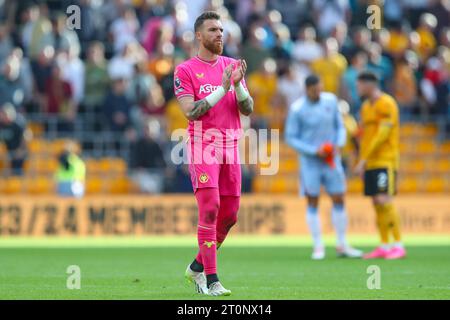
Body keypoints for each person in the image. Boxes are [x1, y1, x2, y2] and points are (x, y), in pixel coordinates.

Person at [174, 11, 254, 296]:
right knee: (210, 209)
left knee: (230, 216)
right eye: (213, 30)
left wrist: (237, 88)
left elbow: (247, 109)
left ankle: (196, 266)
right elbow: (190, 111)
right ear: (199, 35)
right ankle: (211, 280)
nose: (220, 34)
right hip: (203, 145)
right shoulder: (185, 70)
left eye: (221, 30)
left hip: (231, 146)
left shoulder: (233, 65)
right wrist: (222, 90)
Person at [285, 74, 362, 260]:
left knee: (339, 198)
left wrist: (339, 144)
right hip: (310, 162)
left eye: (320, 88)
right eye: (315, 90)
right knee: (313, 201)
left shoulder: (331, 100)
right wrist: (313, 150)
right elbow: (291, 137)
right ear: (307, 90)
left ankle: (342, 244)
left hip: (331, 160)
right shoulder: (297, 109)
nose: (318, 92)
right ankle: (318, 245)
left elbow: (340, 127)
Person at [354, 71, 406, 260]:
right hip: (369, 162)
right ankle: (384, 245)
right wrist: (361, 160)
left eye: (359, 85)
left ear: (370, 85)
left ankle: (398, 245)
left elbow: (382, 135)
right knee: (376, 202)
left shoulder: (386, 103)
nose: (357, 89)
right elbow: (365, 137)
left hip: (385, 159)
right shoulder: (366, 107)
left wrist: (363, 159)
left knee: (384, 200)